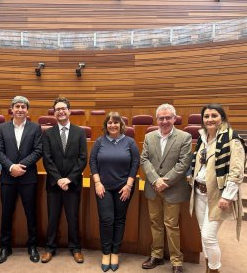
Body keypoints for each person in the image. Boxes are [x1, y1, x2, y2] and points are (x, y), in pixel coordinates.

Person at [189, 104, 247, 273]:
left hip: (218, 195)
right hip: (199, 192)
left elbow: (236, 171)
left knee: (208, 235)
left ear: (222, 117)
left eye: (214, 115)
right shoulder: (203, 138)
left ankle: (214, 270)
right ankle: (209, 268)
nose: (210, 119)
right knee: (204, 233)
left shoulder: (232, 139)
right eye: (206, 116)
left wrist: (228, 196)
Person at [140, 104, 191, 273]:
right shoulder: (149, 137)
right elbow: (144, 160)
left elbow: (183, 164)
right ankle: (157, 255)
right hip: (153, 189)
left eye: (168, 117)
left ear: (174, 118)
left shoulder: (185, 137)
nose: (164, 121)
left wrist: (164, 182)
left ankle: (176, 261)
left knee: (171, 225)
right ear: (157, 120)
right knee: (155, 223)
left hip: (173, 189)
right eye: (161, 118)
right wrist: (155, 180)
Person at [90, 112, 140, 272]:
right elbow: (92, 162)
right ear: (106, 125)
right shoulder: (99, 141)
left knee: (119, 220)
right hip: (103, 187)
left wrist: (129, 186)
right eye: (110, 123)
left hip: (123, 188)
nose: (112, 125)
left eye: (116, 123)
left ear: (121, 125)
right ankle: (106, 252)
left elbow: (135, 164)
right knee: (106, 220)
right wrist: (97, 182)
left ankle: (115, 252)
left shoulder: (130, 142)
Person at [0, 96, 42, 264]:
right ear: (12, 109)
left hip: (28, 178)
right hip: (8, 178)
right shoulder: (2, 128)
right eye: (17, 106)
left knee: (31, 213)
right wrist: (10, 167)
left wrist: (20, 166)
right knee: (6, 214)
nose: (20, 109)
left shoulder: (35, 128)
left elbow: (38, 151)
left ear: (27, 110)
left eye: (23, 106)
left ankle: (32, 246)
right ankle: (5, 247)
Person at [41, 97, 87, 264]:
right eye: (57, 109)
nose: (61, 111)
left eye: (63, 108)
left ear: (69, 111)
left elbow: (83, 159)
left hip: (73, 184)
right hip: (54, 184)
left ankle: (75, 248)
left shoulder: (80, 132)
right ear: (54, 113)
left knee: (73, 217)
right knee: (52, 217)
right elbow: (47, 159)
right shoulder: (47, 133)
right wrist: (59, 179)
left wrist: (69, 179)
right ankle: (49, 248)